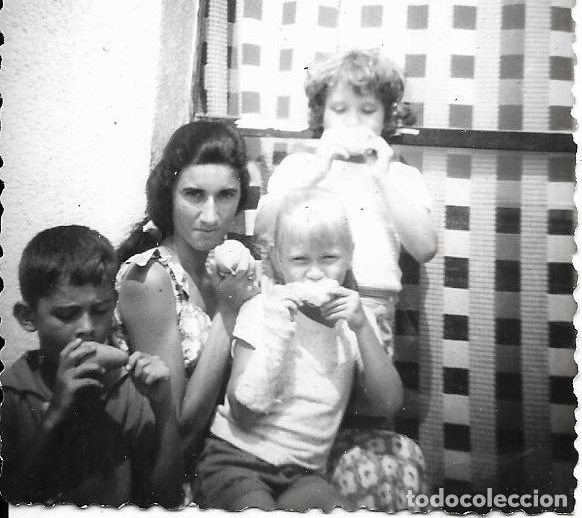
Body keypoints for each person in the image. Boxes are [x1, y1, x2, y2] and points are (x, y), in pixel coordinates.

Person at [194, 187, 403, 511]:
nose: (316, 272)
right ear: (278, 259)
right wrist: (279, 330)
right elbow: (243, 413)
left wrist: (363, 327)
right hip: (234, 458)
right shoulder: (261, 310)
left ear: (349, 254)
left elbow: (389, 402)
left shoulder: (357, 321)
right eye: (300, 260)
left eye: (329, 258)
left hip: (303, 474)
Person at [258, 48, 438, 354]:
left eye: (368, 111)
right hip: (300, 298)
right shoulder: (300, 166)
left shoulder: (400, 175)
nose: (353, 121)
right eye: (339, 109)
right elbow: (262, 231)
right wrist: (316, 172)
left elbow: (425, 249)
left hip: (371, 304)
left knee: (366, 398)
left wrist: (381, 177)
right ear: (321, 113)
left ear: (387, 115)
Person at [1, 225, 183, 507]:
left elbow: (167, 499)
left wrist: (163, 407)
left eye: (100, 311)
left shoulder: (128, 391)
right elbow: (15, 497)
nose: (87, 328)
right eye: (66, 314)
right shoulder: (13, 394)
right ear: (28, 317)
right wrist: (55, 414)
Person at [114, 120, 257, 467]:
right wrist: (228, 311)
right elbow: (178, 430)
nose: (211, 216)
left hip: (235, 456)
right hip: (165, 470)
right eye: (194, 195)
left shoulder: (237, 266)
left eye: (226, 195)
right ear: (169, 195)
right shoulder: (149, 277)